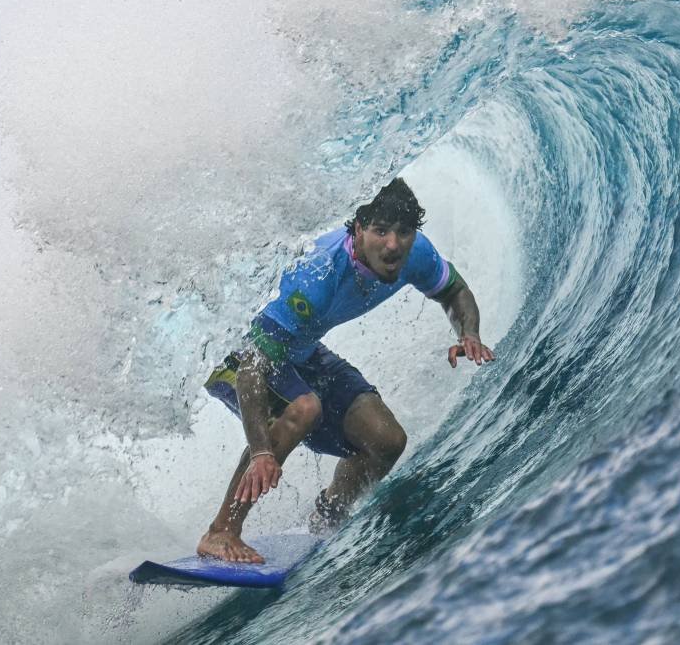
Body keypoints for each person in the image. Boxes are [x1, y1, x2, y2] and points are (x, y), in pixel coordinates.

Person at [198, 177, 495, 563]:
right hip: (237, 352)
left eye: (404, 232)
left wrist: (468, 332)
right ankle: (221, 531)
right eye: (380, 231)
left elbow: (453, 290)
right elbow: (254, 365)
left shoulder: (414, 255)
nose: (393, 245)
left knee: (386, 441)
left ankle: (327, 515)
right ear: (358, 230)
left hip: (298, 349)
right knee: (304, 407)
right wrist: (260, 452)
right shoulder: (318, 276)